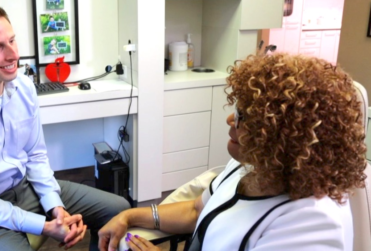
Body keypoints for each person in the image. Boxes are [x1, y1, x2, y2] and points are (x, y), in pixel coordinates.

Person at [98, 54, 368, 251]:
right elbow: (195, 211)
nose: (230, 120)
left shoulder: (310, 224)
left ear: (282, 136)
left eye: (242, 116)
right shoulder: (250, 168)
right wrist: (129, 215)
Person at [0, 2, 130, 251]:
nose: (12, 55)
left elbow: (35, 155)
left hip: (23, 189)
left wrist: (57, 208)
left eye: (12, 41)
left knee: (118, 210)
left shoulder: (23, 87)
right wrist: (44, 227)